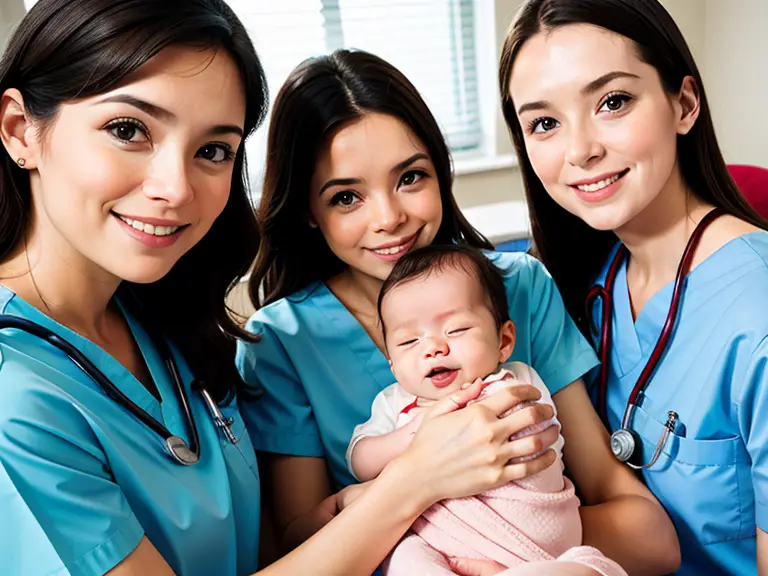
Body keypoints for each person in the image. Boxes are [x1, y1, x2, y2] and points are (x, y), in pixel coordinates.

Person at [0, 1, 571, 575]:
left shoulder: (163, 319)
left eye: (213, 150)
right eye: (128, 130)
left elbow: (273, 544)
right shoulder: (15, 391)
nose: (175, 187)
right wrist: (416, 479)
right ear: (19, 130)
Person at [237, 48, 680, 575]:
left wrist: (512, 550)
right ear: (309, 210)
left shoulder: (519, 286)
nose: (389, 218)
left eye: (410, 178)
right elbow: (299, 547)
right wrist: (421, 480)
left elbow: (647, 534)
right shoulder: (283, 341)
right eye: (345, 198)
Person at [498, 0, 768, 574]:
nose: (579, 150)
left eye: (612, 102)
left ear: (684, 104)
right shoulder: (592, 282)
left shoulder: (756, 311)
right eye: (544, 123)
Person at [347, 244, 627, 576]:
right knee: (403, 555)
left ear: (504, 341)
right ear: (393, 365)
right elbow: (360, 460)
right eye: (410, 342)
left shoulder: (515, 380)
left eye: (456, 330)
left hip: (536, 541)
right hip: (442, 541)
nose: (434, 348)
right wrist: (413, 436)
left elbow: (534, 434)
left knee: (584, 569)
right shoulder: (395, 403)